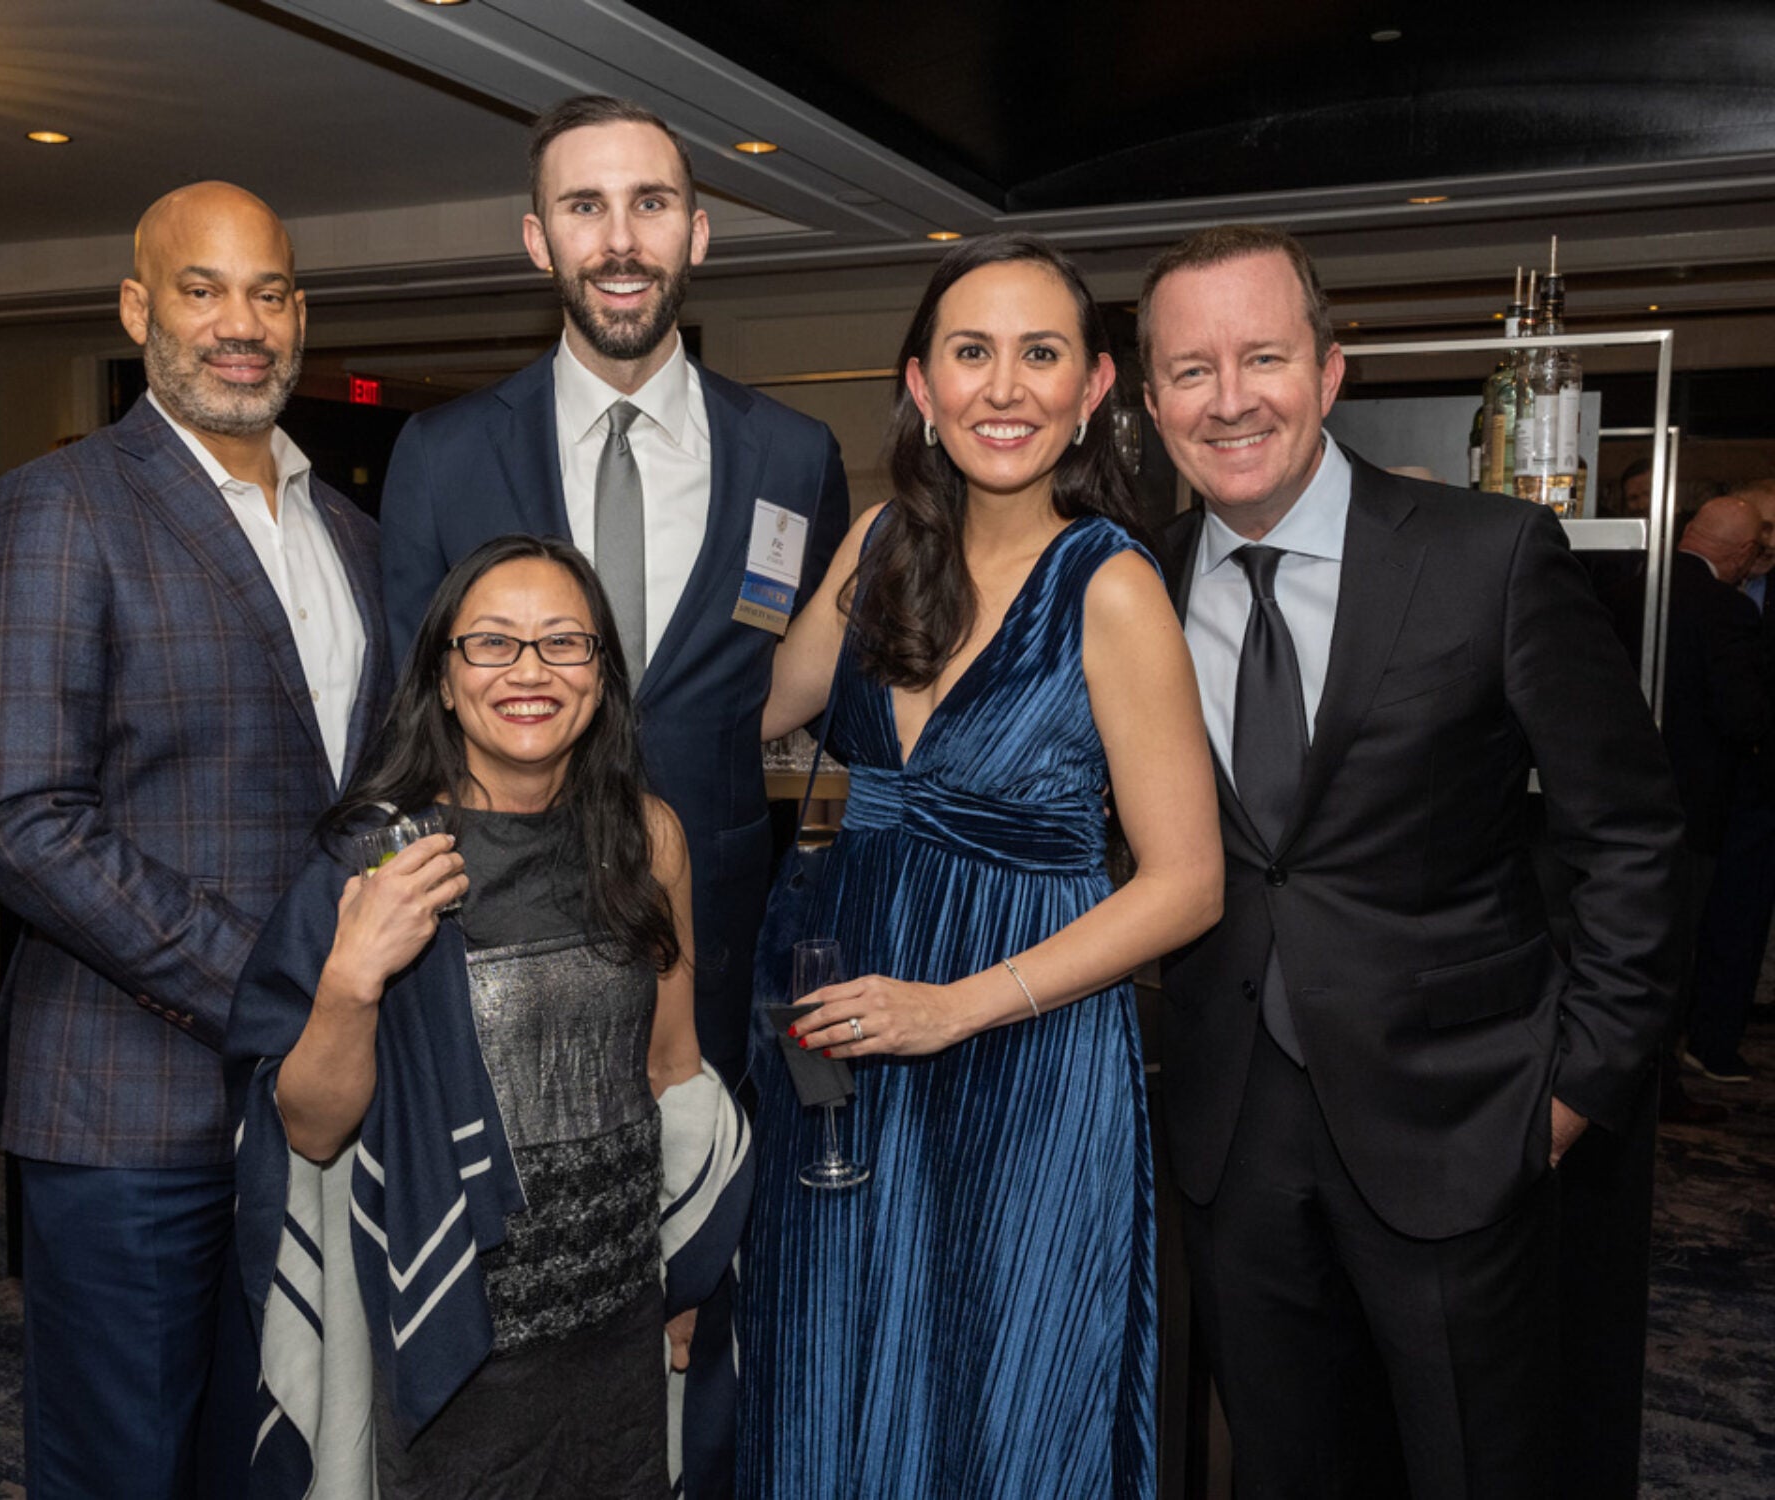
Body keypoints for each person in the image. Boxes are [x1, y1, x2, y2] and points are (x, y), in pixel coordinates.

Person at [1142, 223, 1682, 1499]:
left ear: (1328, 370)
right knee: (1278, 1464)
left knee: (1474, 1464)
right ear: (1151, 400)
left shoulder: (1488, 554)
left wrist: (1570, 1090)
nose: (1228, 399)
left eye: (1262, 357)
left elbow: (1630, 836)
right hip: (1226, 1131)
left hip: (1460, 1115)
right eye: (1189, 370)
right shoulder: (1129, 582)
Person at [738, 233, 1225, 1498]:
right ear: (919, 384)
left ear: (1092, 388)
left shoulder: (1108, 585)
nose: (1003, 388)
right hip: (848, 1027)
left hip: (1024, 1046)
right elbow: (752, 706)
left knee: (1005, 1384)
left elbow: (1186, 882)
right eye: (970, 353)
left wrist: (954, 1008)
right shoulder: (875, 547)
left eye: (1039, 354)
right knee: (835, 1354)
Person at [0, 182, 397, 1498]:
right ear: (140, 309)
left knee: (274, 1451)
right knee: (122, 1467)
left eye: (269, 293)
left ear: (301, 317)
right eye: (204, 290)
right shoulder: (60, 504)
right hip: (125, 1104)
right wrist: (283, 983)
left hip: (319, 1100)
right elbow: (14, 817)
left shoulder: (352, 532)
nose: (241, 324)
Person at [228, 536, 747, 1500]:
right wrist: (350, 979)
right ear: (443, 675)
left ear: (601, 674)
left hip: (618, 1320)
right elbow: (311, 1128)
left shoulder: (649, 837)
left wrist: (691, 1271)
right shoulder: (381, 858)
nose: (530, 671)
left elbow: (674, 1068)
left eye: (563, 642)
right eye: (494, 643)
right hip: (455, 1329)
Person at [379, 94, 850, 1082]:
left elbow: (799, 682)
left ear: (697, 233)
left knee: (709, 1164)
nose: (621, 241)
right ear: (538, 240)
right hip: (497, 926)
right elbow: (410, 712)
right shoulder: (442, 455)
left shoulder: (793, 457)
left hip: (716, 925)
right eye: (585, 206)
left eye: (651, 203)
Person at [1683, 484, 1775, 1083]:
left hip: (1738, 792)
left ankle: (1703, 1042)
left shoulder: (1639, 578)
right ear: (1742, 549)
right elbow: (1743, 713)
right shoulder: (1720, 602)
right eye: (1763, 532)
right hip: (1708, 792)